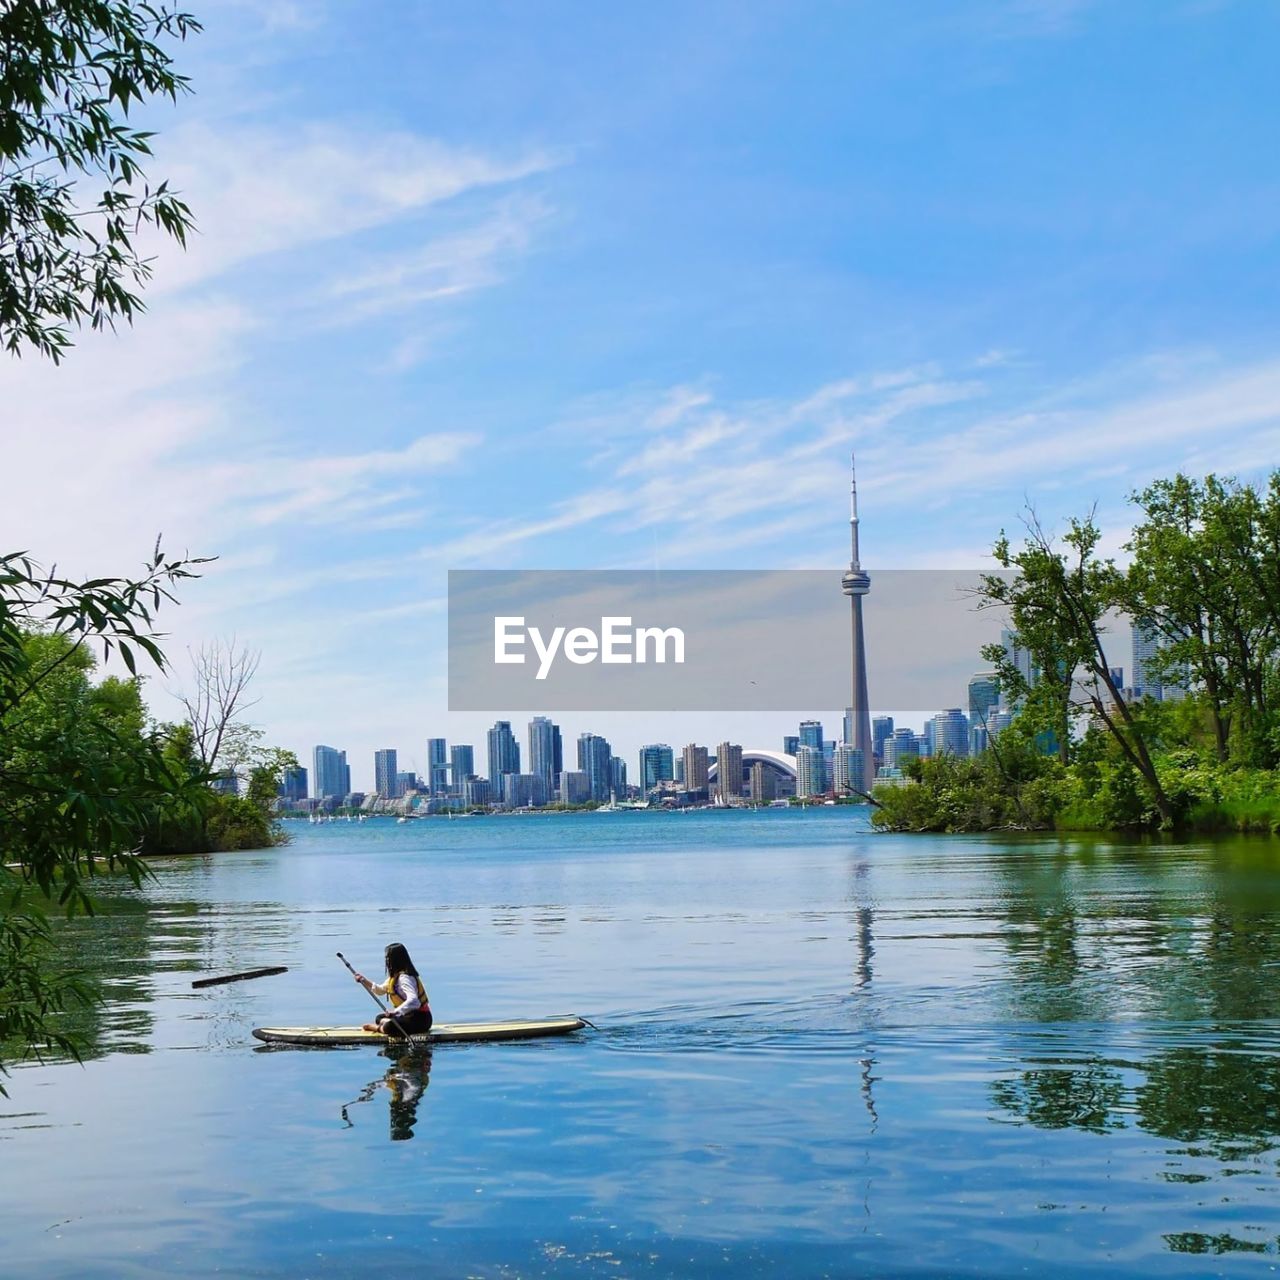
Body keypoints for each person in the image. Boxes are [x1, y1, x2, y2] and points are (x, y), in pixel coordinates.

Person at [353, 942, 432, 1037]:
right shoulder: (394, 978)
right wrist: (363, 980)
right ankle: (385, 1023)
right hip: (406, 1016)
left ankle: (379, 1028)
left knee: (390, 1026)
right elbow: (380, 990)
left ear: (395, 960)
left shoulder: (405, 978)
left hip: (420, 1020)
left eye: (388, 958)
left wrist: (395, 1011)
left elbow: (414, 1001)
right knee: (379, 1017)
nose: (386, 961)